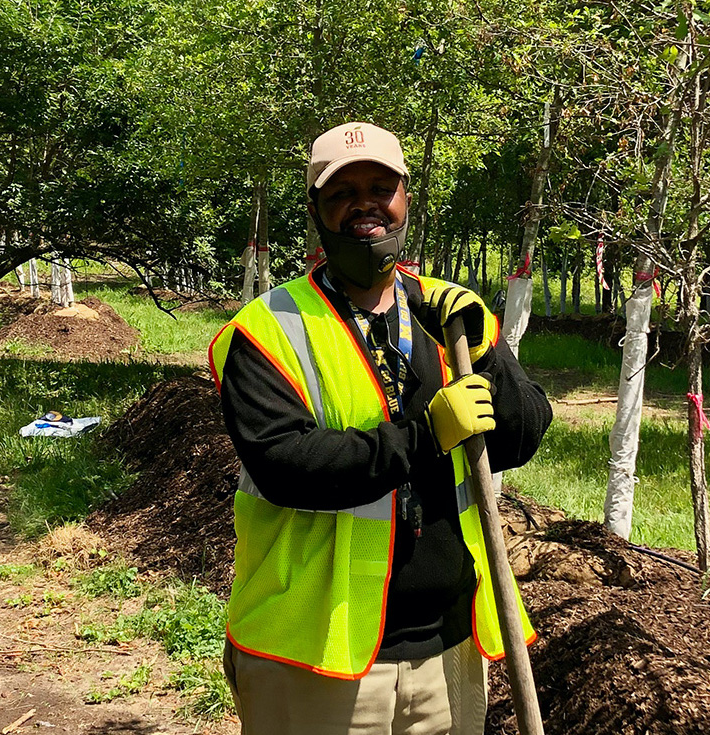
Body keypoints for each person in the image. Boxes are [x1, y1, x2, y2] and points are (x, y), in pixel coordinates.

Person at [208, 121, 553, 735]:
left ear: (404, 201)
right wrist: (425, 437)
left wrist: (487, 350)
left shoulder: (446, 316)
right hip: (316, 657)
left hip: (450, 646)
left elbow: (520, 435)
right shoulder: (268, 330)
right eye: (341, 193)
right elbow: (288, 466)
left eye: (380, 187)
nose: (363, 203)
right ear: (316, 211)